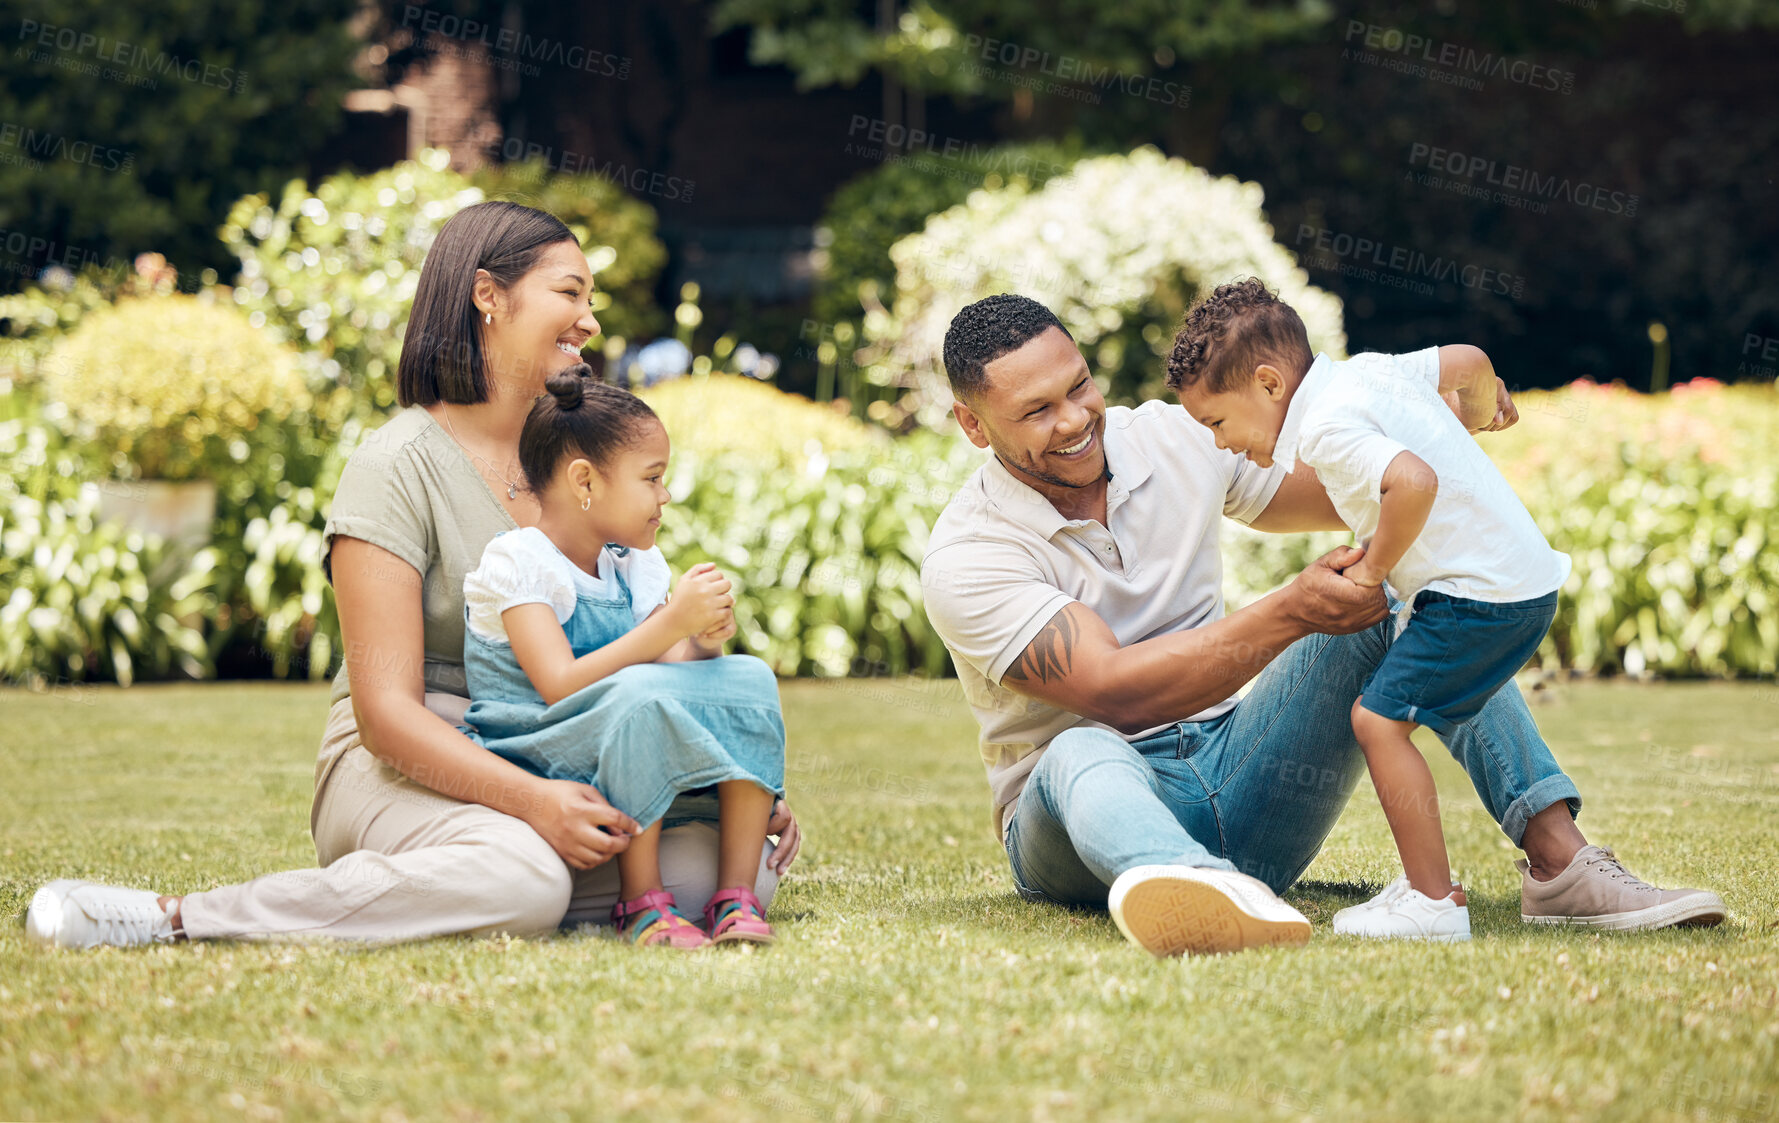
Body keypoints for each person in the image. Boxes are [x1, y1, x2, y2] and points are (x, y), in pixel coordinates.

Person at [26, 200, 800, 951]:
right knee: (525, 877)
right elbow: (384, 715)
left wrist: (730, 771)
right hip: (407, 757)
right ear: (487, 295)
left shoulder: (573, 464)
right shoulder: (396, 464)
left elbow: (636, 659)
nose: (590, 320)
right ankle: (176, 917)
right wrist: (532, 801)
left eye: (589, 299)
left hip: (556, 742)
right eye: (569, 293)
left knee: (730, 874)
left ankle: (457, 887)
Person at [919, 291, 1725, 958]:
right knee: (1076, 747)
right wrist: (1288, 609)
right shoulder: (970, 550)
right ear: (973, 424)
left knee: (1424, 605)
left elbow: (1339, 485)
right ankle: (1188, 883)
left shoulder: (1171, 435)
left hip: (1245, 776)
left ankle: (1561, 864)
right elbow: (1115, 693)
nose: (1074, 418)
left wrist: (1411, 437)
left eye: (1078, 386)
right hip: (1079, 823)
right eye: (1036, 410)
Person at [1169, 278, 1725, 940]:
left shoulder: (1322, 426)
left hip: (1474, 597)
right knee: (1406, 663)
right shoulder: (1368, 372)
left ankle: (1430, 901)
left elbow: (1413, 480)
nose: (1219, 444)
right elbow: (1465, 359)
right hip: (1524, 584)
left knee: (1377, 723)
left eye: (1216, 423)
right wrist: (1483, 407)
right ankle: (1549, 872)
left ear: (1267, 384)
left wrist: (1373, 566)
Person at [459, 366, 784, 948]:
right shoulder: (517, 562)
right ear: (585, 481)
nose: (664, 496)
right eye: (653, 478)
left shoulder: (631, 565)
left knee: (748, 677)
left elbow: (667, 663)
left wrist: (702, 639)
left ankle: (735, 895)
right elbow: (560, 685)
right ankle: (640, 902)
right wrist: (670, 623)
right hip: (533, 745)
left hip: (617, 732)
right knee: (639, 693)